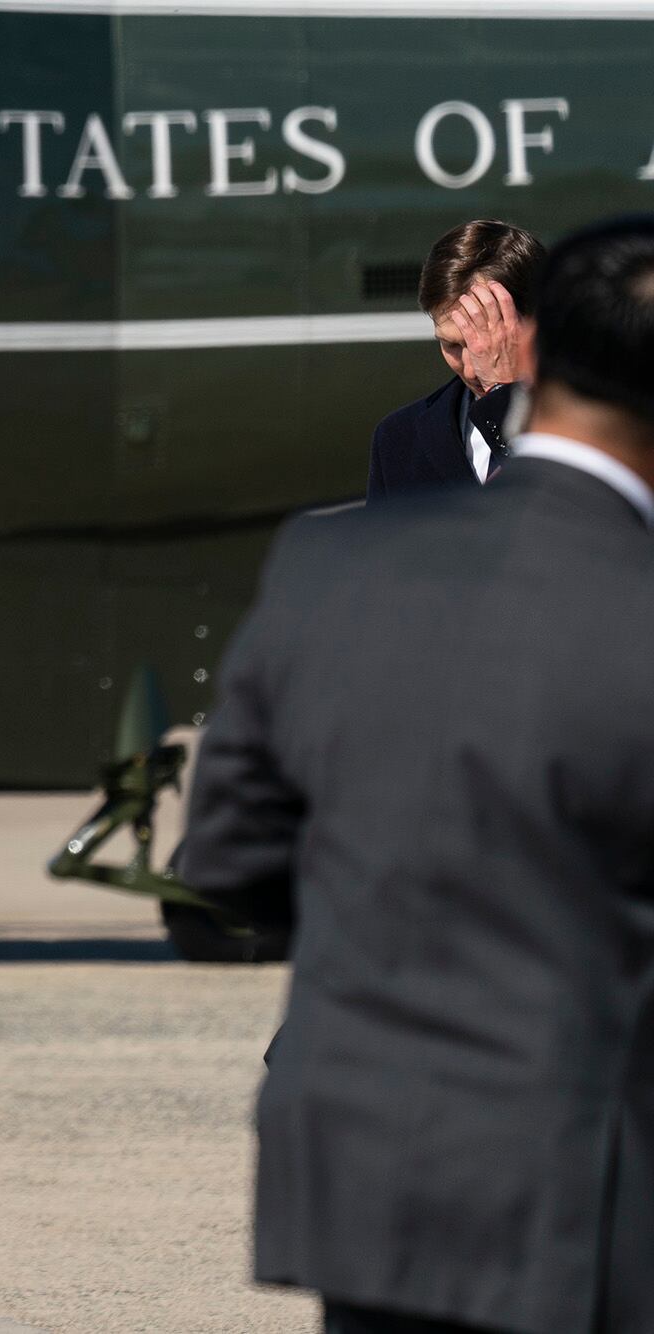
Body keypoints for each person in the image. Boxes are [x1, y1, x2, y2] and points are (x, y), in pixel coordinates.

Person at [182, 215, 654, 1333]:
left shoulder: (314, 563)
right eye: (448, 347)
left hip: (372, 1129)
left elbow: (230, 868)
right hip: (574, 1147)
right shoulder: (411, 453)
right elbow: (486, 598)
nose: (465, 364)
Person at [367, 220, 545, 501]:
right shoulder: (400, 440)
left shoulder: (604, 423)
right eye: (452, 344)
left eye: (489, 341)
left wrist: (504, 394)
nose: (473, 368)